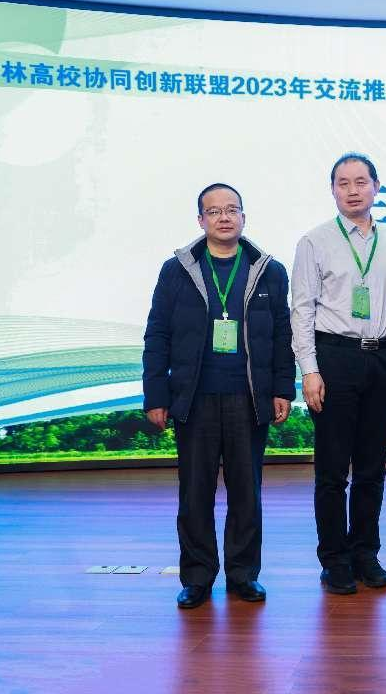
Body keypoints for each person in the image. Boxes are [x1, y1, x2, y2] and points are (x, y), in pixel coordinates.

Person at [142, 183, 295, 609]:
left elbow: (282, 336)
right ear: (201, 220)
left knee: (247, 492)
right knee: (195, 493)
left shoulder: (269, 270)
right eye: (214, 211)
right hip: (195, 398)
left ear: (244, 216)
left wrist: (283, 388)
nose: (224, 217)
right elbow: (157, 334)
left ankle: (243, 575)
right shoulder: (176, 270)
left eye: (231, 209)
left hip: (249, 398)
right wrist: (156, 395)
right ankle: (197, 577)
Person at [291, 154, 386, 595]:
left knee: (372, 469)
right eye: (343, 183)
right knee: (332, 470)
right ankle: (334, 558)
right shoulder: (314, 241)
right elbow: (302, 310)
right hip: (334, 358)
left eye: (361, 182)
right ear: (333, 190)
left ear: (377, 187)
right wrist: (310, 370)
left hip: (382, 358)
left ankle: (365, 553)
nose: (353, 190)